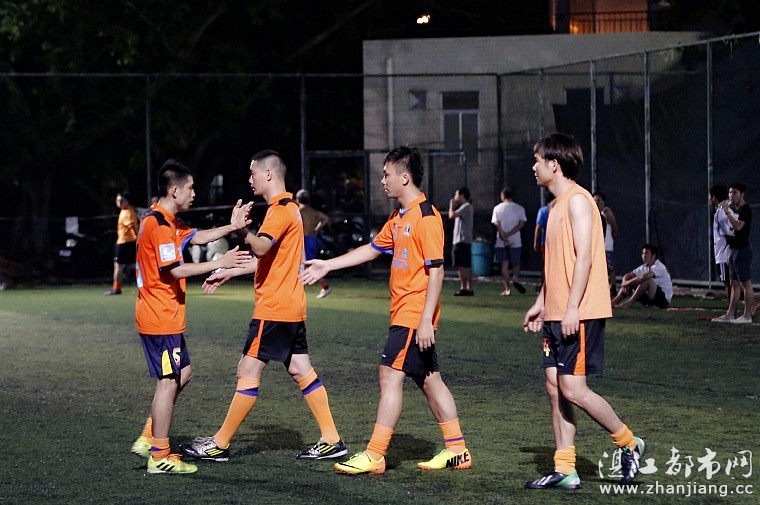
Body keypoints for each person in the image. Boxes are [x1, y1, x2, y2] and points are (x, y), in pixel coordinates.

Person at [300, 146, 472, 475]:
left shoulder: (426, 217)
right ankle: (457, 450)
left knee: (389, 374)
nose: (382, 180)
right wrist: (327, 265)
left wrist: (425, 320)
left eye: (386, 174)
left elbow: (437, 271)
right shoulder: (399, 216)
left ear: (404, 177)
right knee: (430, 379)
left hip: (414, 314)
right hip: (405, 312)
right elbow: (372, 249)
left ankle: (375, 454)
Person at [180, 150, 347, 463]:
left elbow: (260, 247)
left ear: (268, 174)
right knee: (300, 369)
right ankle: (331, 439)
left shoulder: (280, 210)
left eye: (253, 172)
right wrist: (229, 271)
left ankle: (219, 444)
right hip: (290, 306)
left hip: (274, 309)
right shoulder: (288, 208)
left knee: (248, 370)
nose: (250, 179)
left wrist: (241, 230)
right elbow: (269, 260)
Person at [523, 133, 644, 490]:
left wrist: (572, 308)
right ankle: (566, 470)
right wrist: (542, 302)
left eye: (537, 160)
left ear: (554, 164)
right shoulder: (555, 206)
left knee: (573, 389)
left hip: (579, 312)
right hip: (556, 312)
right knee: (554, 388)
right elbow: (556, 264)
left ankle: (629, 443)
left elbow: (585, 259)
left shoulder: (578, 201)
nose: (534, 167)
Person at [130, 159, 254, 474]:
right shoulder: (159, 225)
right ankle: (159, 456)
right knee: (168, 383)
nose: (194, 193)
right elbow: (175, 270)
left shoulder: (166, 220)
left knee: (182, 375)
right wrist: (220, 263)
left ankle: (149, 436)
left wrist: (233, 226)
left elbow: (197, 236)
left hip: (165, 315)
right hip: (160, 316)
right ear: (175, 190)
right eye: (191, 187)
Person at [713, 182, 755, 323]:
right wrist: (730, 252)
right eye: (730, 192)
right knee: (734, 284)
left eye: (735, 193)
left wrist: (726, 212)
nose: (731, 196)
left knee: (746, 284)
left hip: (743, 250)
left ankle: (747, 315)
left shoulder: (745, 210)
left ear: (742, 194)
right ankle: (730, 314)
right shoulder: (736, 210)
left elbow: (738, 227)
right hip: (734, 250)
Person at [611, 244, 673, 309]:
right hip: (650, 296)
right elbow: (628, 275)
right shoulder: (644, 267)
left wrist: (627, 283)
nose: (643, 256)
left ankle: (628, 303)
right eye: (643, 253)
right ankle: (612, 303)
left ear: (653, 256)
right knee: (630, 281)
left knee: (647, 281)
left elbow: (644, 277)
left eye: (646, 253)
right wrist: (625, 283)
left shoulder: (659, 266)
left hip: (663, 300)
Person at [296, 189, 333, 298]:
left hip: (302, 239)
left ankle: (324, 287)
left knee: (306, 264)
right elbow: (325, 218)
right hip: (311, 239)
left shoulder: (298, 212)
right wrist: (317, 229)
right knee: (307, 264)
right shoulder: (313, 212)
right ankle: (323, 286)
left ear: (297, 199)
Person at [491, 187, 526, 296]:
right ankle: (515, 277)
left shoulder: (497, 208)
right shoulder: (519, 208)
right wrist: (510, 233)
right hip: (516, 239)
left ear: (503, 196)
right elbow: (521, 224)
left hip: (501, 240)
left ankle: (507, 289)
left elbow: (497, 224)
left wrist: (504, 235)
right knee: (516, 262)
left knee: (504, 265)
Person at [105, 191, 138, 295]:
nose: (119, 202)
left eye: (121, 200)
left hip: (124, 242)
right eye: (117, 200)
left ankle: (116, 288)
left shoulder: (126, 212)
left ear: (127, 201)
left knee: (118, 265)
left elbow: (131, 226)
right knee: (134, 265)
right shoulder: (127, 210)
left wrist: (137, 238)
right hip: (128, 241)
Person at [448, 187, 474, 296]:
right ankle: (468, 287)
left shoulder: (466, 206)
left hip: (461, 240)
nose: (455, 197)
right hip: (462, 239)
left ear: (462, 195)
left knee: (462, 264)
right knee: (464, 264)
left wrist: (451, 205)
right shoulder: (465, 207)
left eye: (456, 194)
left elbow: (451, 215)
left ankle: (464, 287)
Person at [709, 185, 732, 302]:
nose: (709, 199)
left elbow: (729, 233)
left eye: (710, 196)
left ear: (714, 197)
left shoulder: (721, 212)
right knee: (732, 282)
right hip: (724, 251)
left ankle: (732, 308)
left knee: (728, 282)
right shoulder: (724, 210)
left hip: (723, 253)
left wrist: (729, 251)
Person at [592, 191, 619, 295]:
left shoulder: (606, 212)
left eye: (598, 201)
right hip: (596, 245)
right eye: (595, 201)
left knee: (610, 266)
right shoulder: (593, 214)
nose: (597, 203)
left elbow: (614, 226)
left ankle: (613, 287)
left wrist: (612, 237)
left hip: (607, 245)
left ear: (603, 202)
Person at [533, 191, 554, 292]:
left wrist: (536, 242)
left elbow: (538, 228)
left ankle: (544, 286)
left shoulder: (543, 211)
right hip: (557, 242)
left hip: (546, 242)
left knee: (546, 265)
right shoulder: (561, 210)